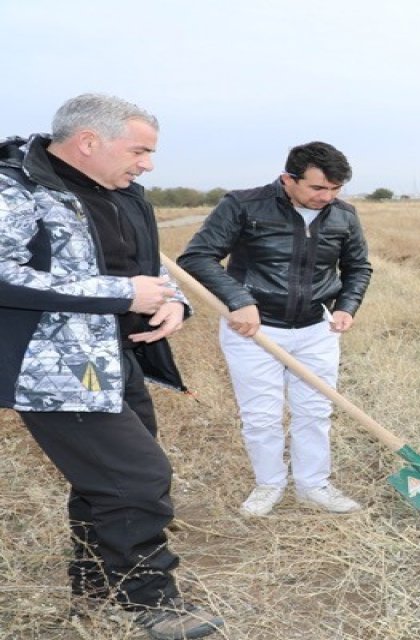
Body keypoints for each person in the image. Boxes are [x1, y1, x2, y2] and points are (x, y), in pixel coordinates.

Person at [0, 94, 223, 639]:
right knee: (137, 477)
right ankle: (151, 602)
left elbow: (151, 276)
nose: (147, 163)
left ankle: (96, 584)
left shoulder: (126, 196)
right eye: (140, 150)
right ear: (89, 141)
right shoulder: (16, 188)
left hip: (119, 360)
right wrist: (122, 294)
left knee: (101, 480)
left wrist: (175, 304)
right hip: (55, 369)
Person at [178, 141, 373, 517]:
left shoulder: (343, 216)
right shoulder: (243, 205)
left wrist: (346, 306)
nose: (327, 197)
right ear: (289, 179)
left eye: (335, 189)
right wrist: (240, 300)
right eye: (318, 188)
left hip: (317, 329)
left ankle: (313, 485)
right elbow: (197, 256)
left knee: (314, 410)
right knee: (262, 415)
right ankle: (268, 485)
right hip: (253, 330)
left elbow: (358, 268)